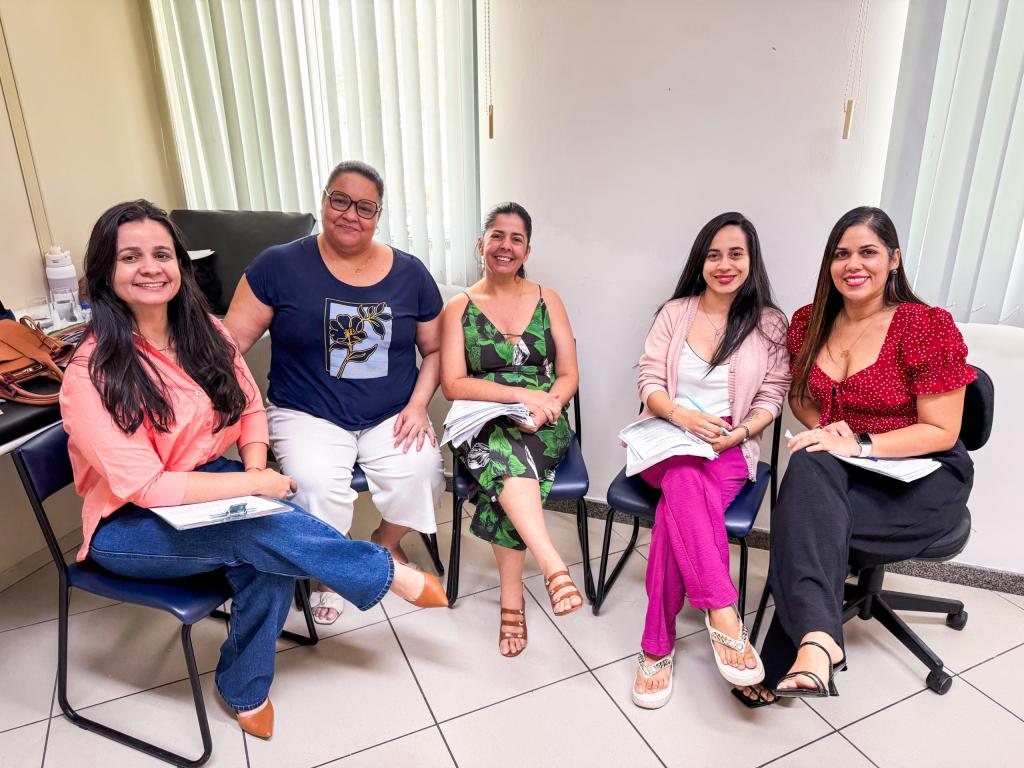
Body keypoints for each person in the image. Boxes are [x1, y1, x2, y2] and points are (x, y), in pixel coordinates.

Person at [60, 200, 447, 740]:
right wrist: (255, 486)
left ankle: (244, 684)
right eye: (131, 257)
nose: (150, 268)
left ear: (181, 265)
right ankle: (384, 574)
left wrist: (256, 469)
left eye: (162, 254)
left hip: (209, 482)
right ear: (106, 270)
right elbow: (146, 486)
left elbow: (249, 408)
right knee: (258, 530)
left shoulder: (204, 334)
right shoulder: (91, 372)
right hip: (128, 524)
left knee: (267, 549)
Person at [755, 206, 976, 706]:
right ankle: (819, 642)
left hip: (922, 475)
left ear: (893, 259)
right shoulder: (810, 321)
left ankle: (789, 654)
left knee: (806, 519)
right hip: (847, 469)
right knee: (810, 463)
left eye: (868, 252)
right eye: (841, 254)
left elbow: (942, 431)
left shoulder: (924, 325)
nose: (853, 264)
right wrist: (829, 431)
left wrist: (860, 443)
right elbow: (801, 399)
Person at [224, 160, 445, 625]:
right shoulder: (277, 265)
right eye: (340, 200)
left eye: (365, 207)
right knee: (315, 486)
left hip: (391, 411)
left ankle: (383, 544)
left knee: (422, 471)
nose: (350, 214)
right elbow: (230, 347)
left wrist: (418, 405)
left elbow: (435, 349)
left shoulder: (411, 273)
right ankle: (331, 570)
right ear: (324, 200)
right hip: (307, 412)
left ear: (378, 215)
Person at [628, 212, 790, 709]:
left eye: (735, 254)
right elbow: (648, 380)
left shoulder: (769, 323)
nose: (724, 264)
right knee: (681, 469)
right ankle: (723, 612)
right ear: (701, 261)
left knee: (676, 508)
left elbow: (773, 395)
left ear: (751, 260)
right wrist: (680, 417)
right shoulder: (675, 312)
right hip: (667, 434)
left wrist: (738, 433)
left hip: (728, 443)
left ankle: (656, 647)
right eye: (714, 254)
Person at [440, 202, 584, 657]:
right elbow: (453, 384)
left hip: (544, 420)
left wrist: (548, 406)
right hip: (481, 419)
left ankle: (513, 598)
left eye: (516, 239)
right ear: (480, 243)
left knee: (505, 469)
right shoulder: (458, 308)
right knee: (501, 451)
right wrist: (519, 396)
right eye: (497, 236)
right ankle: (551, 564)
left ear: (527, 250)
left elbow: (568, 374)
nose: (505, 246)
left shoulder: (548, 299)